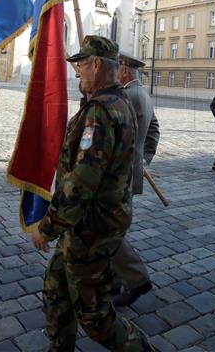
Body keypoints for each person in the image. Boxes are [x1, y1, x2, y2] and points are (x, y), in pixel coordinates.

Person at [30, 36, 154, 351]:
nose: (76, 74)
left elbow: (81, 182)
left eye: (81, 66)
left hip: (92, 228)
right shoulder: (118, 102)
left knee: (95, 317)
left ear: (96, 65)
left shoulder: (100, 112)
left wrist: (48, 227)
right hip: (87, 225)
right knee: (56, 290)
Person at [111, 52, 160, 307]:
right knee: (115, 225)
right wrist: (144, 159)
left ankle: (132, 280)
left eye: (117, 67)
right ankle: (114, 281)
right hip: (131, 171)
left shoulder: (126, 95)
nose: (115, 71)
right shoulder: (144, 94)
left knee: (112, 228)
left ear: (125, 71)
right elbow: (154, 129)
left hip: (118, 174)